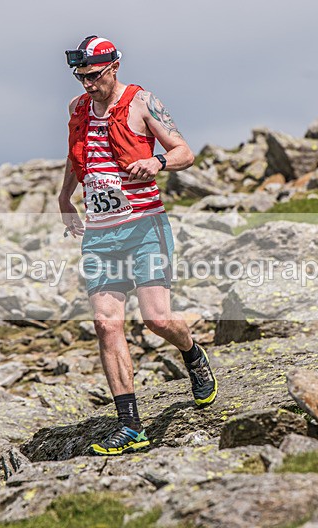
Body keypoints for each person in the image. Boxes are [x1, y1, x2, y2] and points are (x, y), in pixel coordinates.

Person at [57, 35, 218, 456]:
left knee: (157, 320)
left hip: (145, 226)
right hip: (100, 234)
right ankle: (130, 425)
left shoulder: (143, 102)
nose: (87, 84)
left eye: (93, 76)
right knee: (106, 324)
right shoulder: (77, 109)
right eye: (81, 76)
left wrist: (157, 161)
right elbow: (79, 157)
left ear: (113, 67)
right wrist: (63, 199)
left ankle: (193, 352)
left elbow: (185, 152)